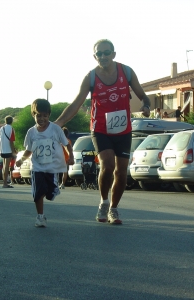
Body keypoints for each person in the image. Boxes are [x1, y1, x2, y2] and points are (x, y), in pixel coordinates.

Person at [54, 39, 150, 224]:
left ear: (114, 54)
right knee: (107, 166)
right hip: (100, 129)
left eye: (107, 53)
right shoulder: (90, 77)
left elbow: (143, 95)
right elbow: (77, 103)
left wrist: (146, 105)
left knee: (121, 172)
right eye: (99, 53)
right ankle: (104, 201)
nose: (103, 56)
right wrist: (60, 122)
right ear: (94, 56)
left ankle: (114, 208)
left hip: (123, 130)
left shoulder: (127, 72)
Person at [16, 99, 74, 227]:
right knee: (38, 193)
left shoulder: (55, 129)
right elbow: (29, 150)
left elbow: (66, 144)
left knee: (49, 193)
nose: (42, 118)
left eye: (45, 116)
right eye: (38, 115)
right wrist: (21, 160)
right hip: (37, 167)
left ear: (49, 115)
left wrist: (71, 156)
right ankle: (40, 217)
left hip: (52, 167)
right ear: (33, 115)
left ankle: (53, 189)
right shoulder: (31, 132)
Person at [0, 116, 16, 188]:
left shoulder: (1, 128)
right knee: (6, 167)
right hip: (8, 150)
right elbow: (11, 141)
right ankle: (5, 183)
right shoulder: (11, 129)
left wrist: (0, 149)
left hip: (2, 150)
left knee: (4, 167)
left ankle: (4, 182)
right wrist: (13, 151)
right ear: (11, 121)